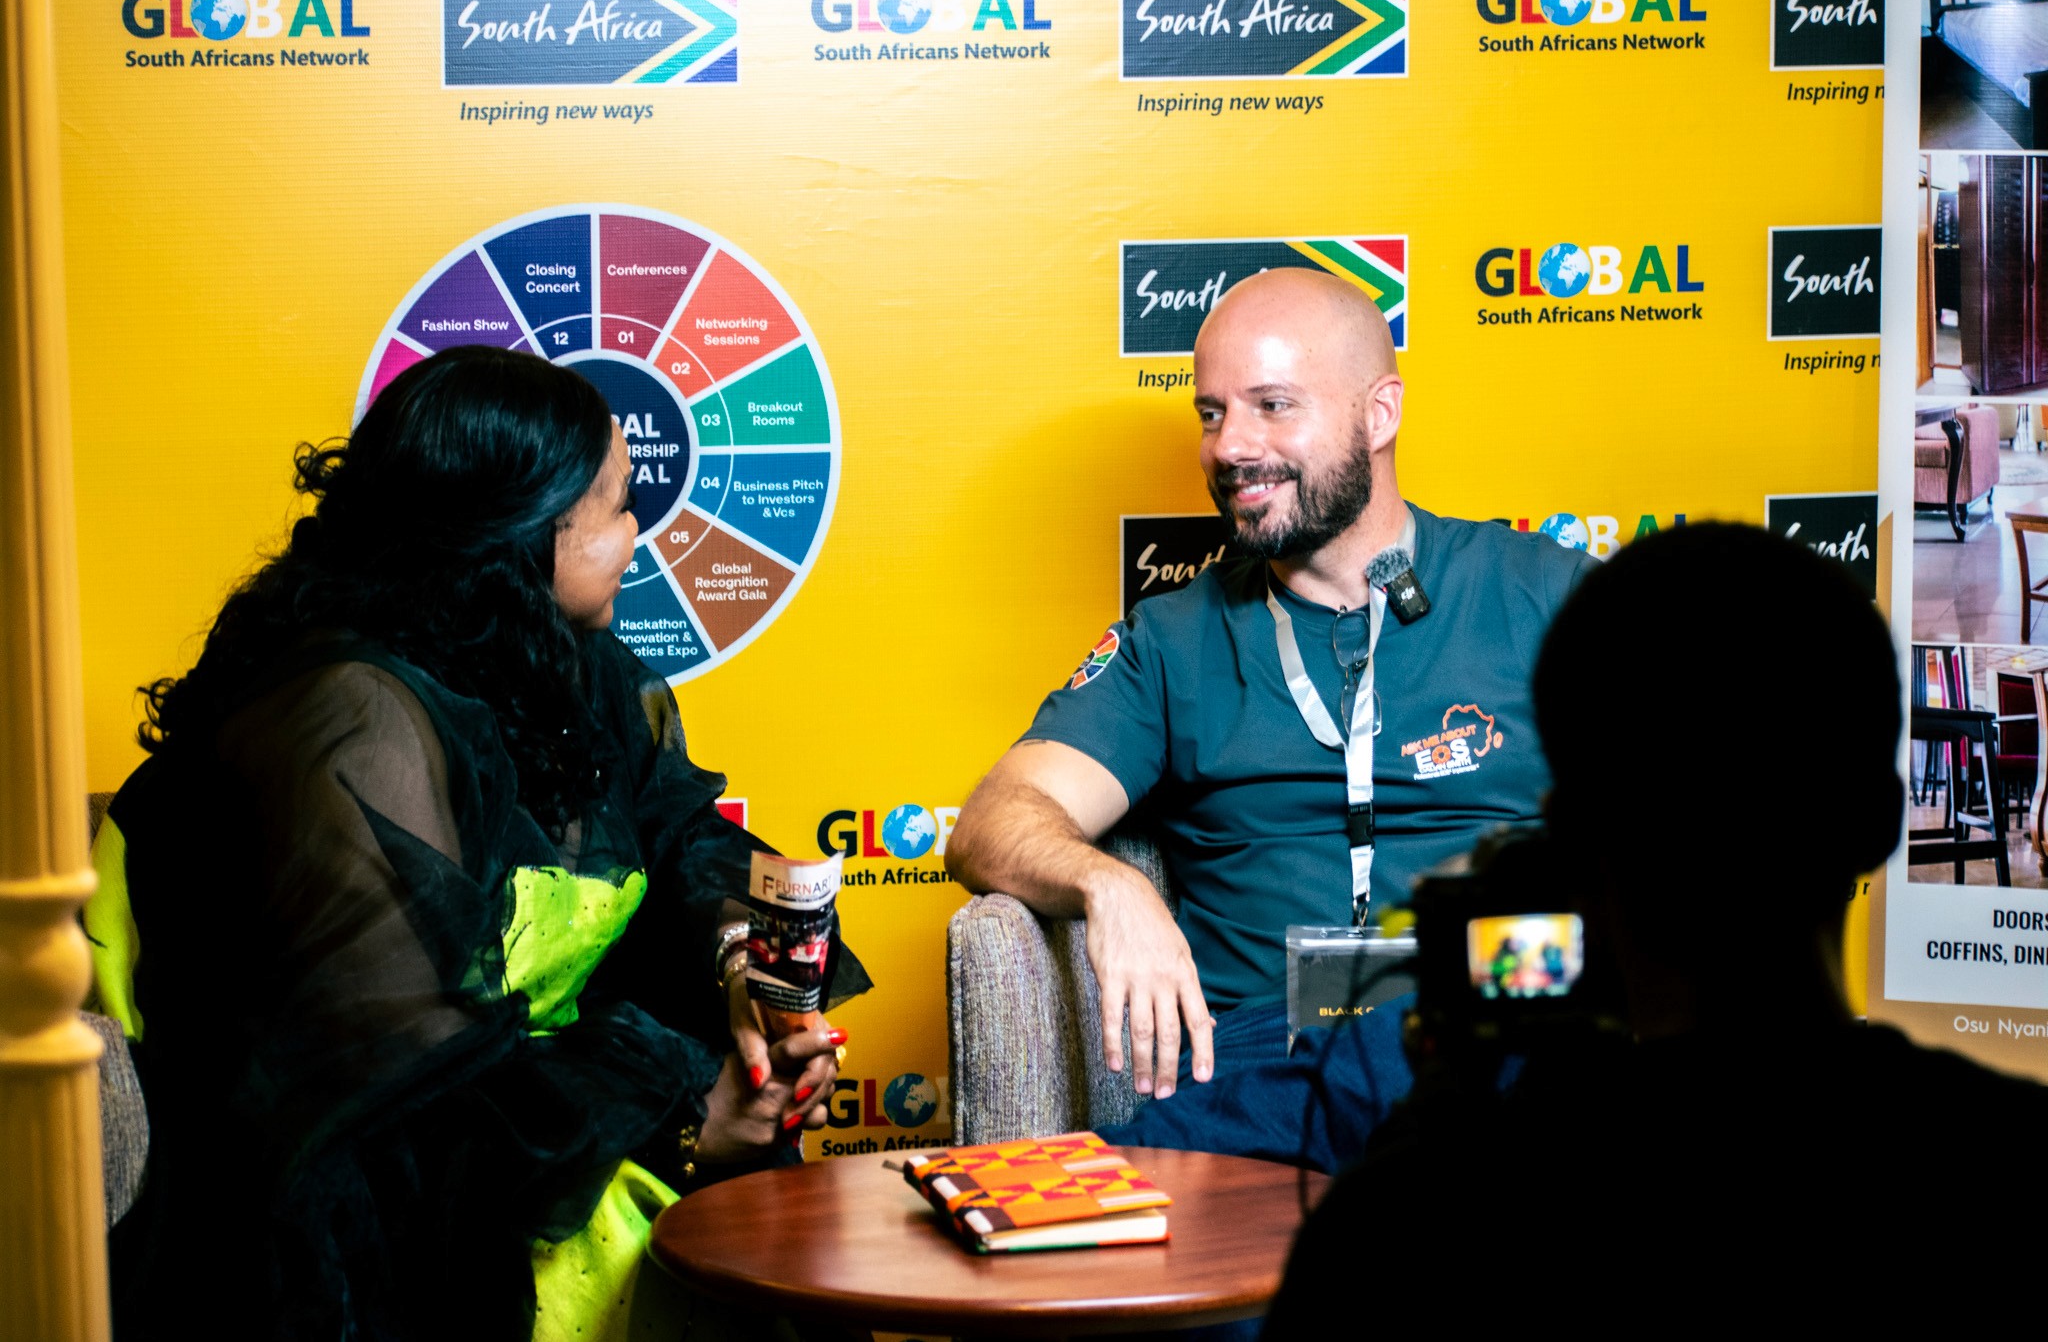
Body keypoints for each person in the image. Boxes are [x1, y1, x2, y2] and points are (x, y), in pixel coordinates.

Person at [87, 346, 867, 1341]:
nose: (640, 537)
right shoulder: (350, 719)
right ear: (526, 527)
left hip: (536, 1145)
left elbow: (679, 833)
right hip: (371, 1223)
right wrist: (680, 1119)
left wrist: (742, 970)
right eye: (620, 507)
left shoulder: (578, 672)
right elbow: (401, 1094)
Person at [1261, 524, 2048, 1316]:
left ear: (1568, 840)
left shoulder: (1398, 1236)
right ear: (1879, 823)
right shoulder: (2010, 1164)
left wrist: (1446, 1093)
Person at [946, 267, 1593, 1098]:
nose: (1232, 447)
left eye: (1272, 405)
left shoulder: (1542, 593)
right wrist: (1109, 881)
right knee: (1143, 1188)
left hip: (1502, 1044)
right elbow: (991, 821)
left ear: (1379, 413)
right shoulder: (1173, 642)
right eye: (1211, 414)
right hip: (1270, 1069)